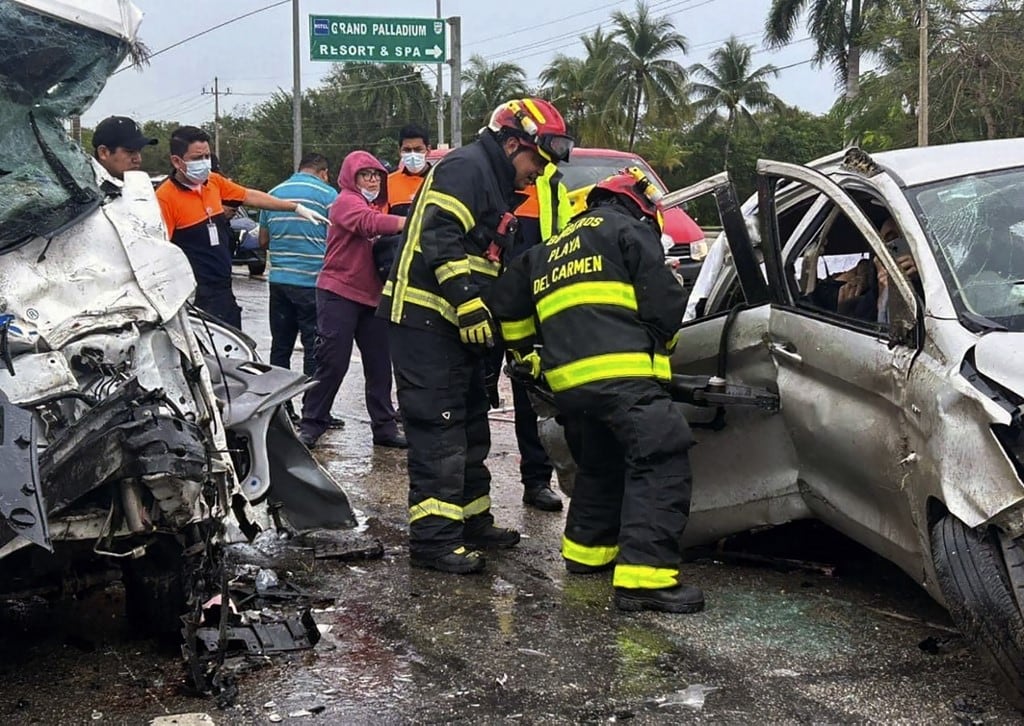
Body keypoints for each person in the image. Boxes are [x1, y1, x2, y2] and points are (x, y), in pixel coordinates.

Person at [486, 167, 704, 614]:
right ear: (637, 205)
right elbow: (664, 302)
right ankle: (646, 579)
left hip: (569, 388)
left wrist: (526, 358)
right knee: (660, 457)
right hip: (623, 377)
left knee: (601, 463)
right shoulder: (627, 230)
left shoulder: (550, 247)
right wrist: (663, 348)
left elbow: (506, 301)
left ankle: (587, 553)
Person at [378, 98, 574, 574]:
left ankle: (471, 521)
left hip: (454, 327)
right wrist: (467, 302)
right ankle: (434, 541)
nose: (539, 172)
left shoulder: (496, 181)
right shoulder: (467, 168)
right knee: (440, 429)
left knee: (469, 425)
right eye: (536, 160)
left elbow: (489, 264)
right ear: (511, 144)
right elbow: (440, 236)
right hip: (425, 321)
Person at [155, 125, 329, 329]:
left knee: (233, 343)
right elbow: (160, 254)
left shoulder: (213, 182)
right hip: (193, 295)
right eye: (197, 158)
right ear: (177, 161)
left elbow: (249, 195)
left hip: (222, 289)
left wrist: (295, 207)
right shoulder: (165, 198)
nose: (204, 163)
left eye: (207, 156)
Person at [298, 151, 407, 450]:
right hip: (339, 292)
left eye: (376, 175)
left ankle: (384, 428)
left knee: (380, 365)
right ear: (350, 177)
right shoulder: (346, 201)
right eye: (365, 175)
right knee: (333, 362)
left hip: (372, 297)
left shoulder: (374, 205)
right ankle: (311, 424)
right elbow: (367, 223)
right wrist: (410, 222)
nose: (372, 180)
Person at [487, 161, 571, 512]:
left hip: (530, 308)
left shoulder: (554, 190)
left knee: (532, 395)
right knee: (472, 391)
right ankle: (464, 485)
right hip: (482, 301)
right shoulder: (487, 180)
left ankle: (536, 481)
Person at [258, 153, 338, 378]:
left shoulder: (273, 194)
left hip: (279, 281)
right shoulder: (329, 195)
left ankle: (278, 397)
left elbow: (263, 241)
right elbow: (336, 239)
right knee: (313, 347)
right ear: (324, 173)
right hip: (312, 283)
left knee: (280, 346)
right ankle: (311, 398)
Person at [90, 115, 156, 192]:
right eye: (130, 151)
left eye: (139, 151)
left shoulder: (140, 187)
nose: (138, 159)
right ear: (103, 152)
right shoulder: (83, 190)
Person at [387, 124, 433, 216]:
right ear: (400, 151)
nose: (413, 155)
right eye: (407, 150)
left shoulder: (440, 180)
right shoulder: (388, 182)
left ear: (428, 150)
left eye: (418, 149)